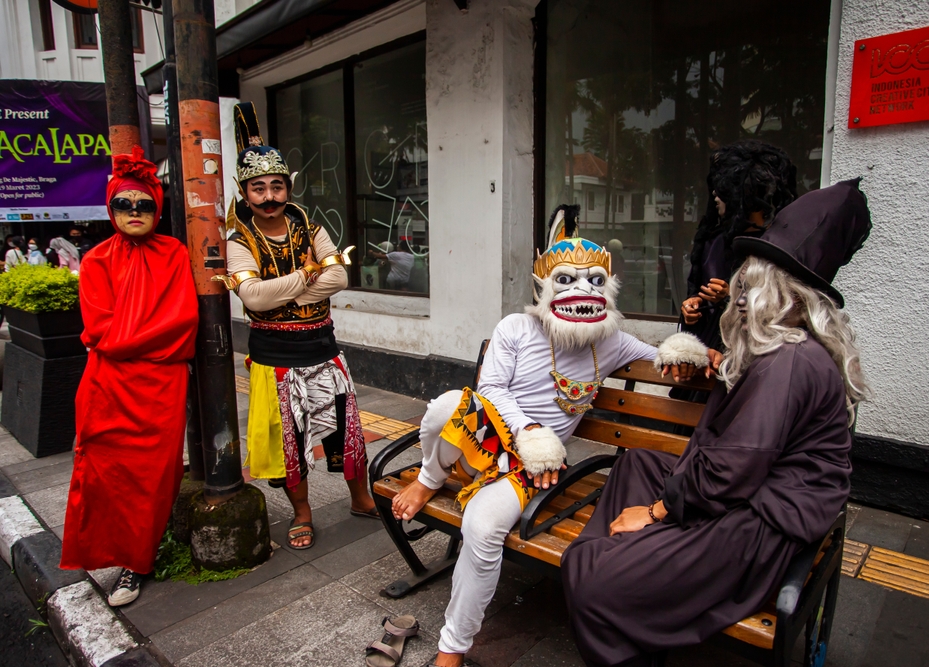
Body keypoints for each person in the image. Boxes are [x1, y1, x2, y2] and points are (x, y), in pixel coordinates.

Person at [561, 179, 873, 667]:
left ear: (786, 296)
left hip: (762, 522)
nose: (741, 298)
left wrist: (659, 513)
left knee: (594, 581)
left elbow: (734, 469)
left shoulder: (789, 360)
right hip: (742, 489)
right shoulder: (775, 347)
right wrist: (715, 360)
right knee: (638, 465)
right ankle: (635, 566)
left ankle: (616, 577)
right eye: (743, 286)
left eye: (753, 287)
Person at [389, 205, 691, 667]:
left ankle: (452, 648)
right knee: (448, 405)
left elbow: (659, 358)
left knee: (483, 528)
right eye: (568, 280)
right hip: (491, 437)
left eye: (594, 281)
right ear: (545, 287)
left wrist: (683, 351)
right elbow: (489, 389)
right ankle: (430, 477)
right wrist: (528, 428)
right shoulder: (516, 327)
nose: (582, 291)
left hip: (533, 467)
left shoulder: (610, 339)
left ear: (606, 290)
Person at [215, 102, 376, 552]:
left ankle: (361, 497)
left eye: (277, 186)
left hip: (324, 349)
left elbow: (339, 277)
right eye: (258, 188)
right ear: (244, 193)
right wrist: (307, 278)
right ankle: (302, 513)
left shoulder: (308, 222)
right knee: (290, 443)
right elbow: (252, 298)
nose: (269, 196)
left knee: (349, 431)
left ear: (288, 187)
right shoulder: (238, 240)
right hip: (275, 360)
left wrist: (281, 290)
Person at [60, 146, 199, 608]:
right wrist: (134, 338)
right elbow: (97, 329)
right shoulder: (96, 260)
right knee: (103, 472)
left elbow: (181, 326)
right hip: (107, 388)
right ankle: (107, 552)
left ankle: (137, 562)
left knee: (152, 478)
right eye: (125, 204)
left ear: (157, 208)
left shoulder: (175, 252)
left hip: (158, 389)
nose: (135, 212)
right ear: (111, 208)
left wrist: (122, 339)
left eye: (144, 204)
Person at [681, 141, 797, 351]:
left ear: (743, 192)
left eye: (723, 188)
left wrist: (731, 295)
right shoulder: (711, 244)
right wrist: (691, 311)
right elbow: (698, 301)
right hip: (707, 359)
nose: (715, 194)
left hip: (752, 356)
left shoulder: (778, 248)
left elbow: (786, 313)